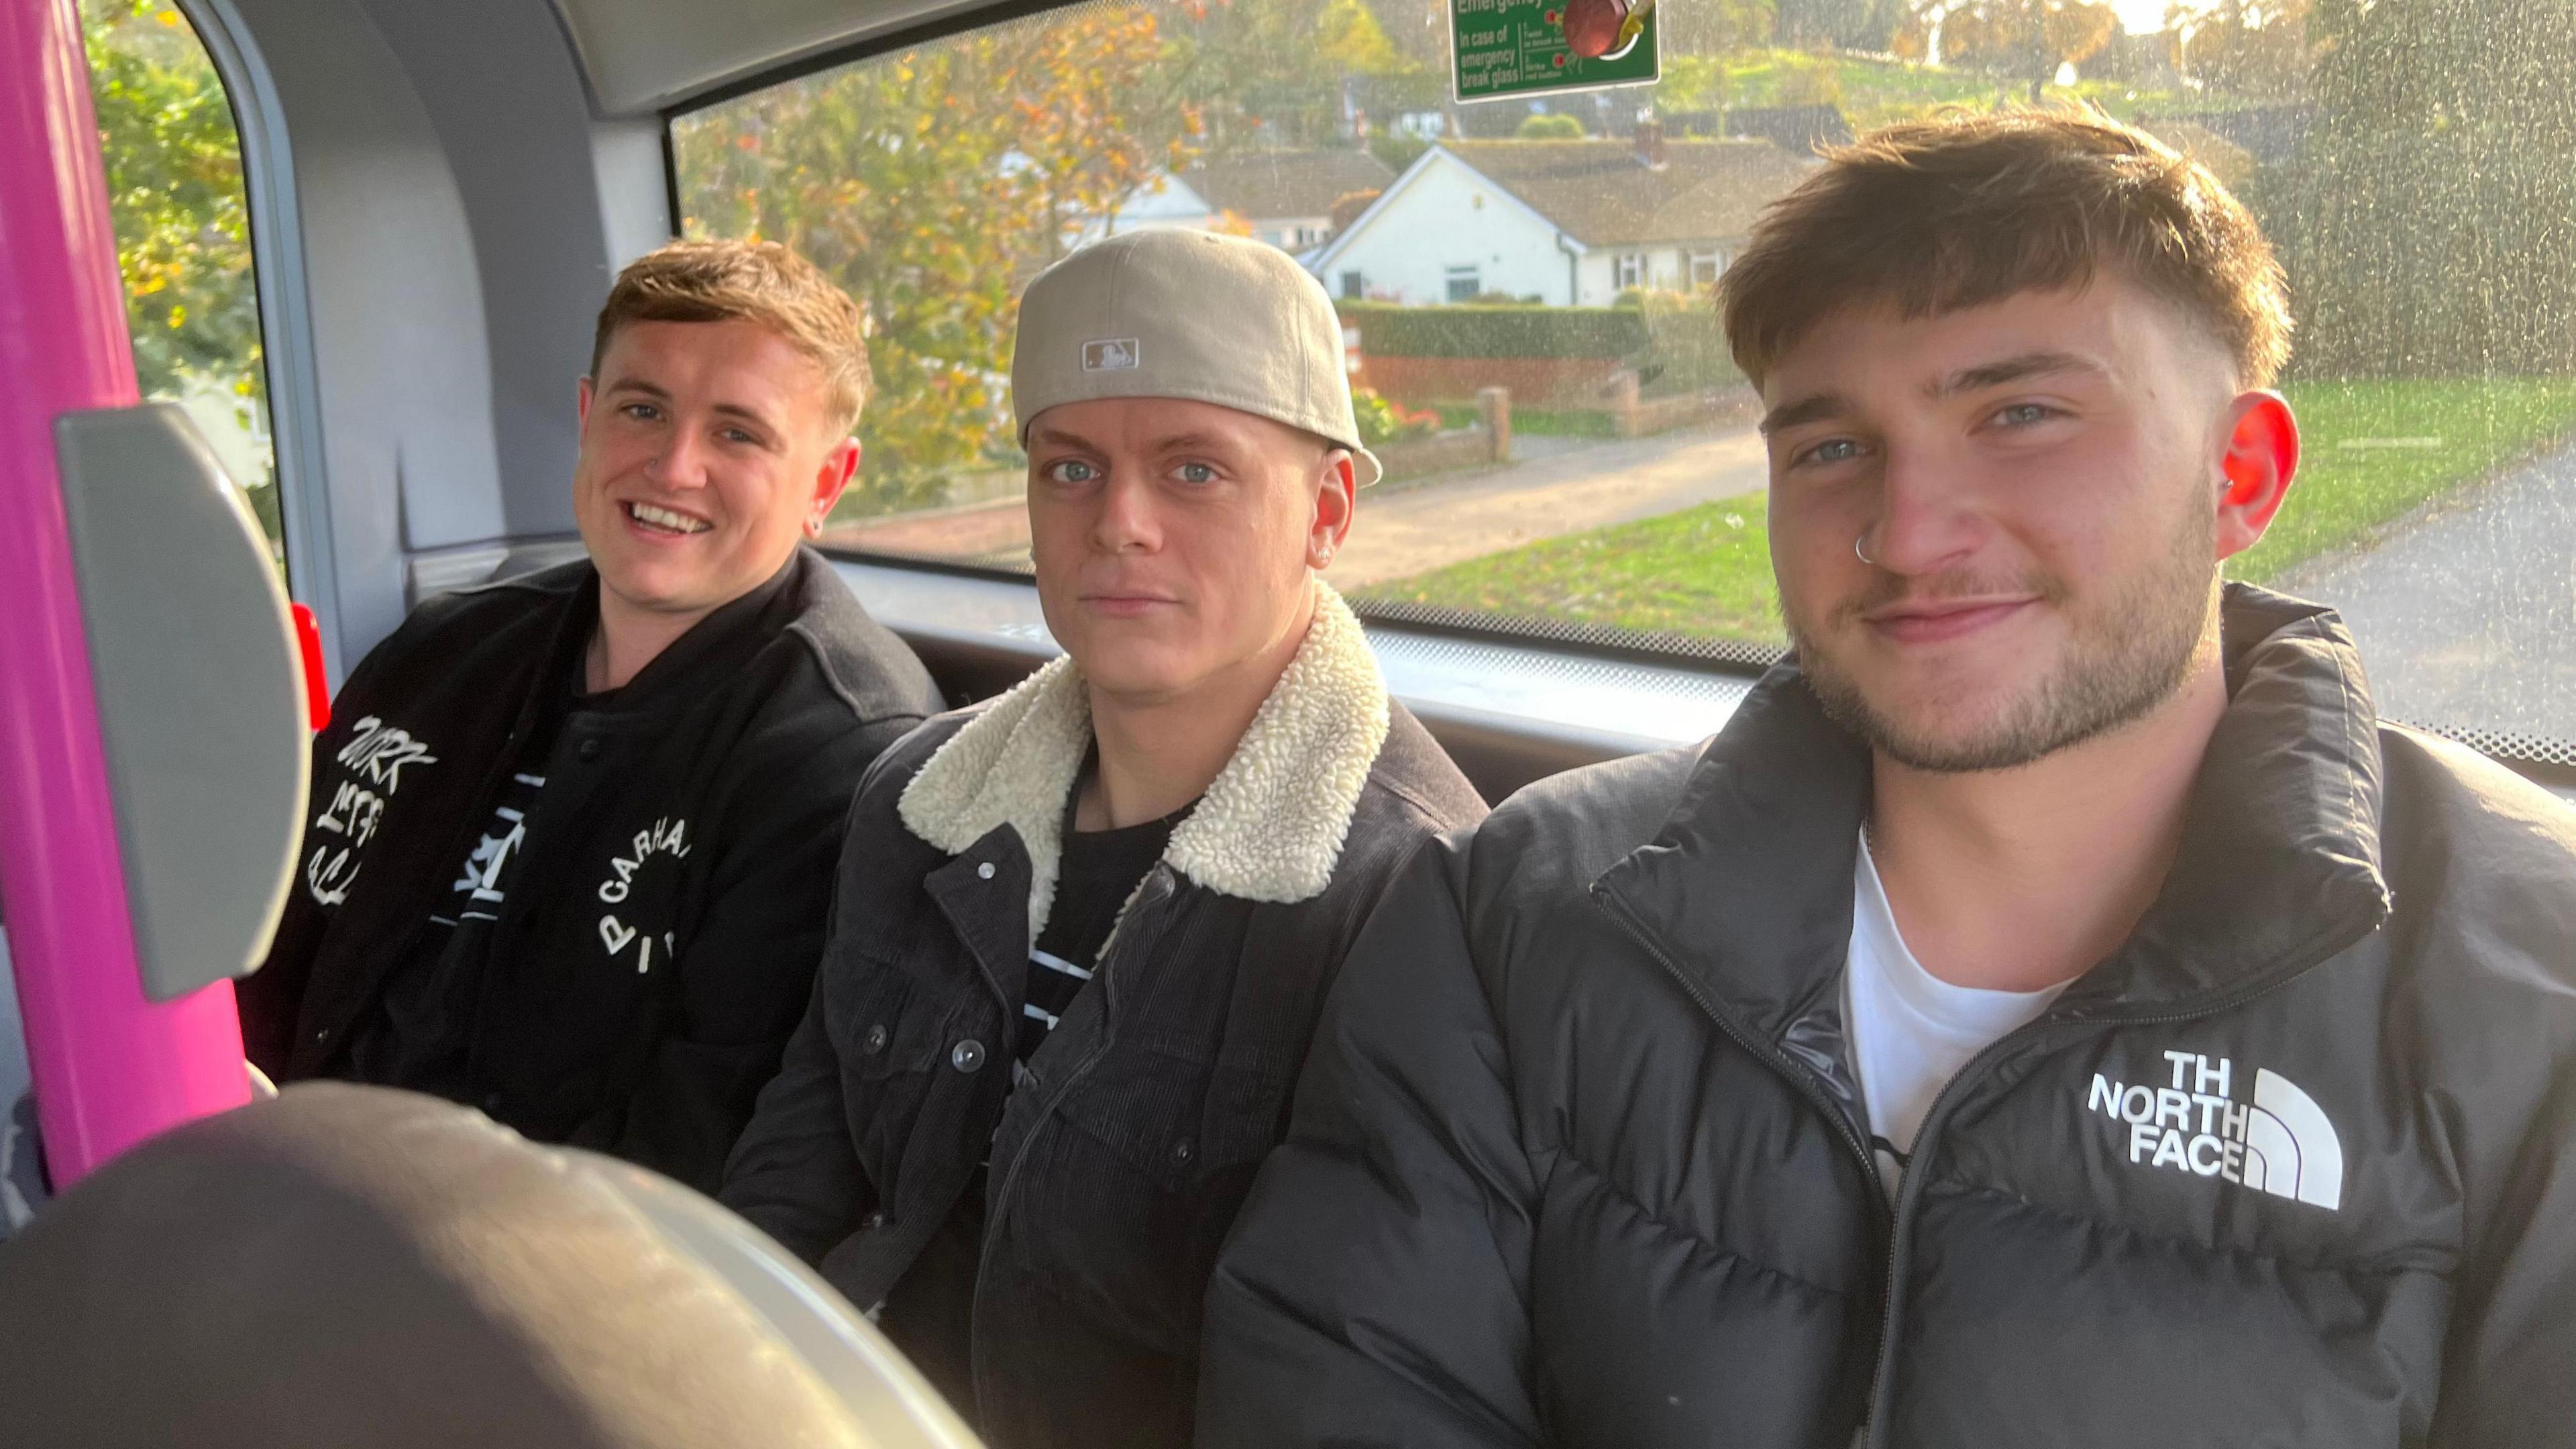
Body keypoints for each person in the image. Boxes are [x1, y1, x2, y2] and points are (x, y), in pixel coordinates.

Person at [1197, 111, 2576, 1448]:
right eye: (1833, 447)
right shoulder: (1519, 913)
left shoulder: (2526, 998)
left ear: (2242, 472)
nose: (1908, 535)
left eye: (2022, 413)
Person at [720, 227, 1487, 1449]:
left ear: (1326, 510)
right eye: (1070, 471)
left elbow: (1350, 1382)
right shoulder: (918, 801)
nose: (1120, 524)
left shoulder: (1420, 900)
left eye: (1196, 472)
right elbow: (800, 1170)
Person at [237, 239, 945, 1194]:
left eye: (739, 433)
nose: (674, 465)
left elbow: (704, 1145)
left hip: (535, 1278)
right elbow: (275, 950)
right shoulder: (441, 655)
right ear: (586, 418)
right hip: (277, 1184)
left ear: (825, 483)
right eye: (642, 409)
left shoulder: (841, 756)